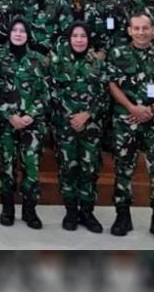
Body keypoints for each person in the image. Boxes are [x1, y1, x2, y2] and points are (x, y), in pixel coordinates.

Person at [106, 12, 154, 242]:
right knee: (123, 169)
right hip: (126, 120)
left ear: (153, 30)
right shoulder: (118, 53)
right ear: (128, 30)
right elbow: (111, 84)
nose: (141, 32)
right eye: (136, 28)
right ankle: (122, 216)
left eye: (145, 28)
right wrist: (132, 108)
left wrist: (152, 109)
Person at [0, 18, 48, 230]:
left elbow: (46, 92)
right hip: (6, 123)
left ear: (28, 34)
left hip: (32, 124)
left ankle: (30, 210)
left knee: (31, 168)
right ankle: (8, 209)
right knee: (6, 167)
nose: (18, 34)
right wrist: (10, 115)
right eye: (14, 29)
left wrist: (31, 115)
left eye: (23, 30)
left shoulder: (39, 60)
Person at [48, 22, 107, 233]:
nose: (79, 39)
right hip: (65, 125)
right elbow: (52, 92)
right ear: (69, 39)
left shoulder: (98, 63)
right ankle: (71, 211)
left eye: (83, 36)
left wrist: (87, 115)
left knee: (89, 169)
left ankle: (87, 212)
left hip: (91, 126)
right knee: (68, 168)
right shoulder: (58, 62)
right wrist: (72, 117)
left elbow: (104, 94)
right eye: (75, 36)